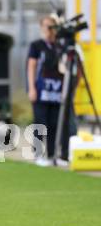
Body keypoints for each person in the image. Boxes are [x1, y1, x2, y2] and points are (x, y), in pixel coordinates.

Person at [27, 16, 75, 167]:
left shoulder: (60, 47)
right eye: (46, 27)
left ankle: (53, 154)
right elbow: (31, 67)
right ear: (41, 27)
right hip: (41, 91)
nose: (49, 31)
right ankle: (38, 155)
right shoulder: (36, 45)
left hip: (56, 91)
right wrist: (32, 88)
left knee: (55, 124)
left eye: (52, 27)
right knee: (40, 123)